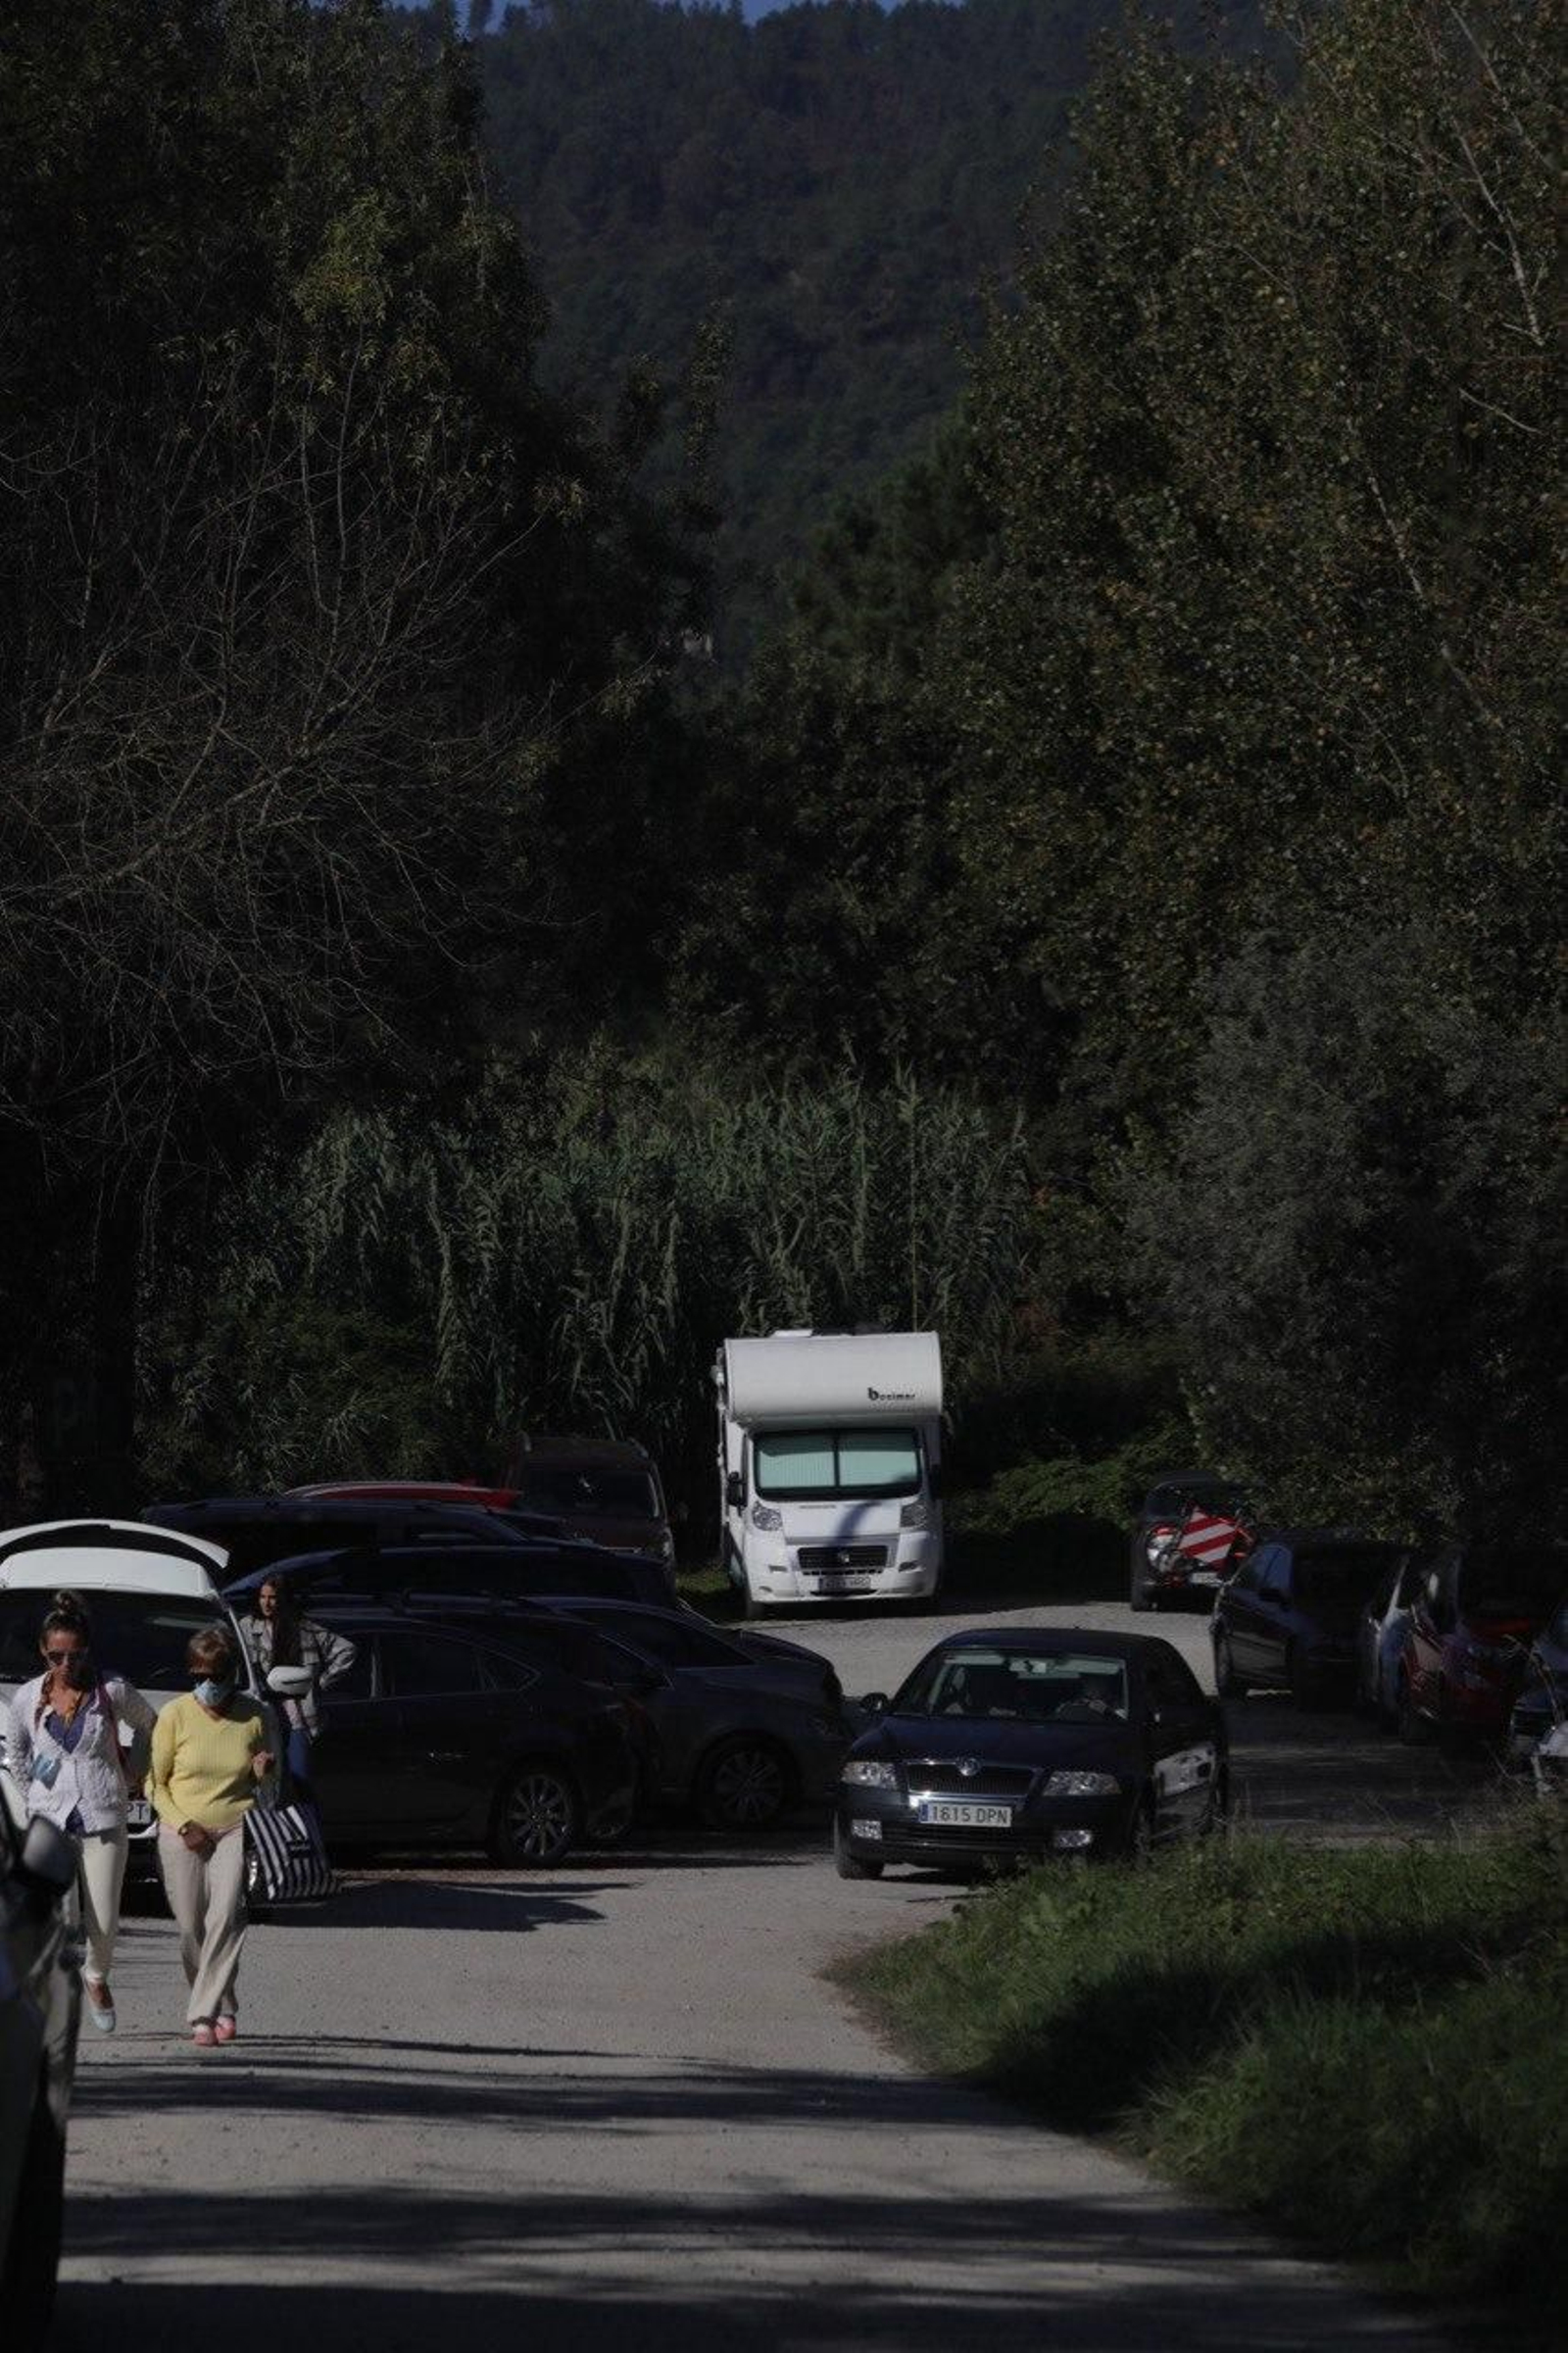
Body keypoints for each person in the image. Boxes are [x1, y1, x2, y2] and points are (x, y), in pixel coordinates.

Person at [7, 1592, 156, 2034]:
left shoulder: (110, 1690)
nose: (66, 1664)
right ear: (43, 1651)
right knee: (62, 1913)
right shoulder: (28, 1696)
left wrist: (135, 1770)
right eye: (56, 1655)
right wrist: (28, 1791)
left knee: (104, 1918)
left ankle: (96, 1976)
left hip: (103, 1813)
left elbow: (150, 1724)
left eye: (74, 1655)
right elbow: (16, 1751)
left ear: (87, 1650)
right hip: (50, 1819)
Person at [147, 1625, 275, 2049]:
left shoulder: (257, 1716)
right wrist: (184, 1824)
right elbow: (154, 1784)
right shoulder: (175, 1714)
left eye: (216, 1676)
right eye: (198, 1676)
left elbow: (274, 1795)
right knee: (190, 1929)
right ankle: (224, 2002)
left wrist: (265, 1774)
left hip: (236, 1828)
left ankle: (202, 2015)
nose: (207, 1685)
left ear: (232, 1673)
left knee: (225, 1919)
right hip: (183, 1830)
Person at [236, 1575, 357, 1800]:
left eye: (272, 1597)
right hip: (263, 1716)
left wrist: (320, 1682)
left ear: (283, 1599)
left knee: (299, 1783)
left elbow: (346, 1650)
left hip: (297, 1719)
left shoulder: (304, 1629)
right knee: (264, 1786)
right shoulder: (248, 1626)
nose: (266, 1603)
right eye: (262, 1597)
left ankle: (306, 1830)